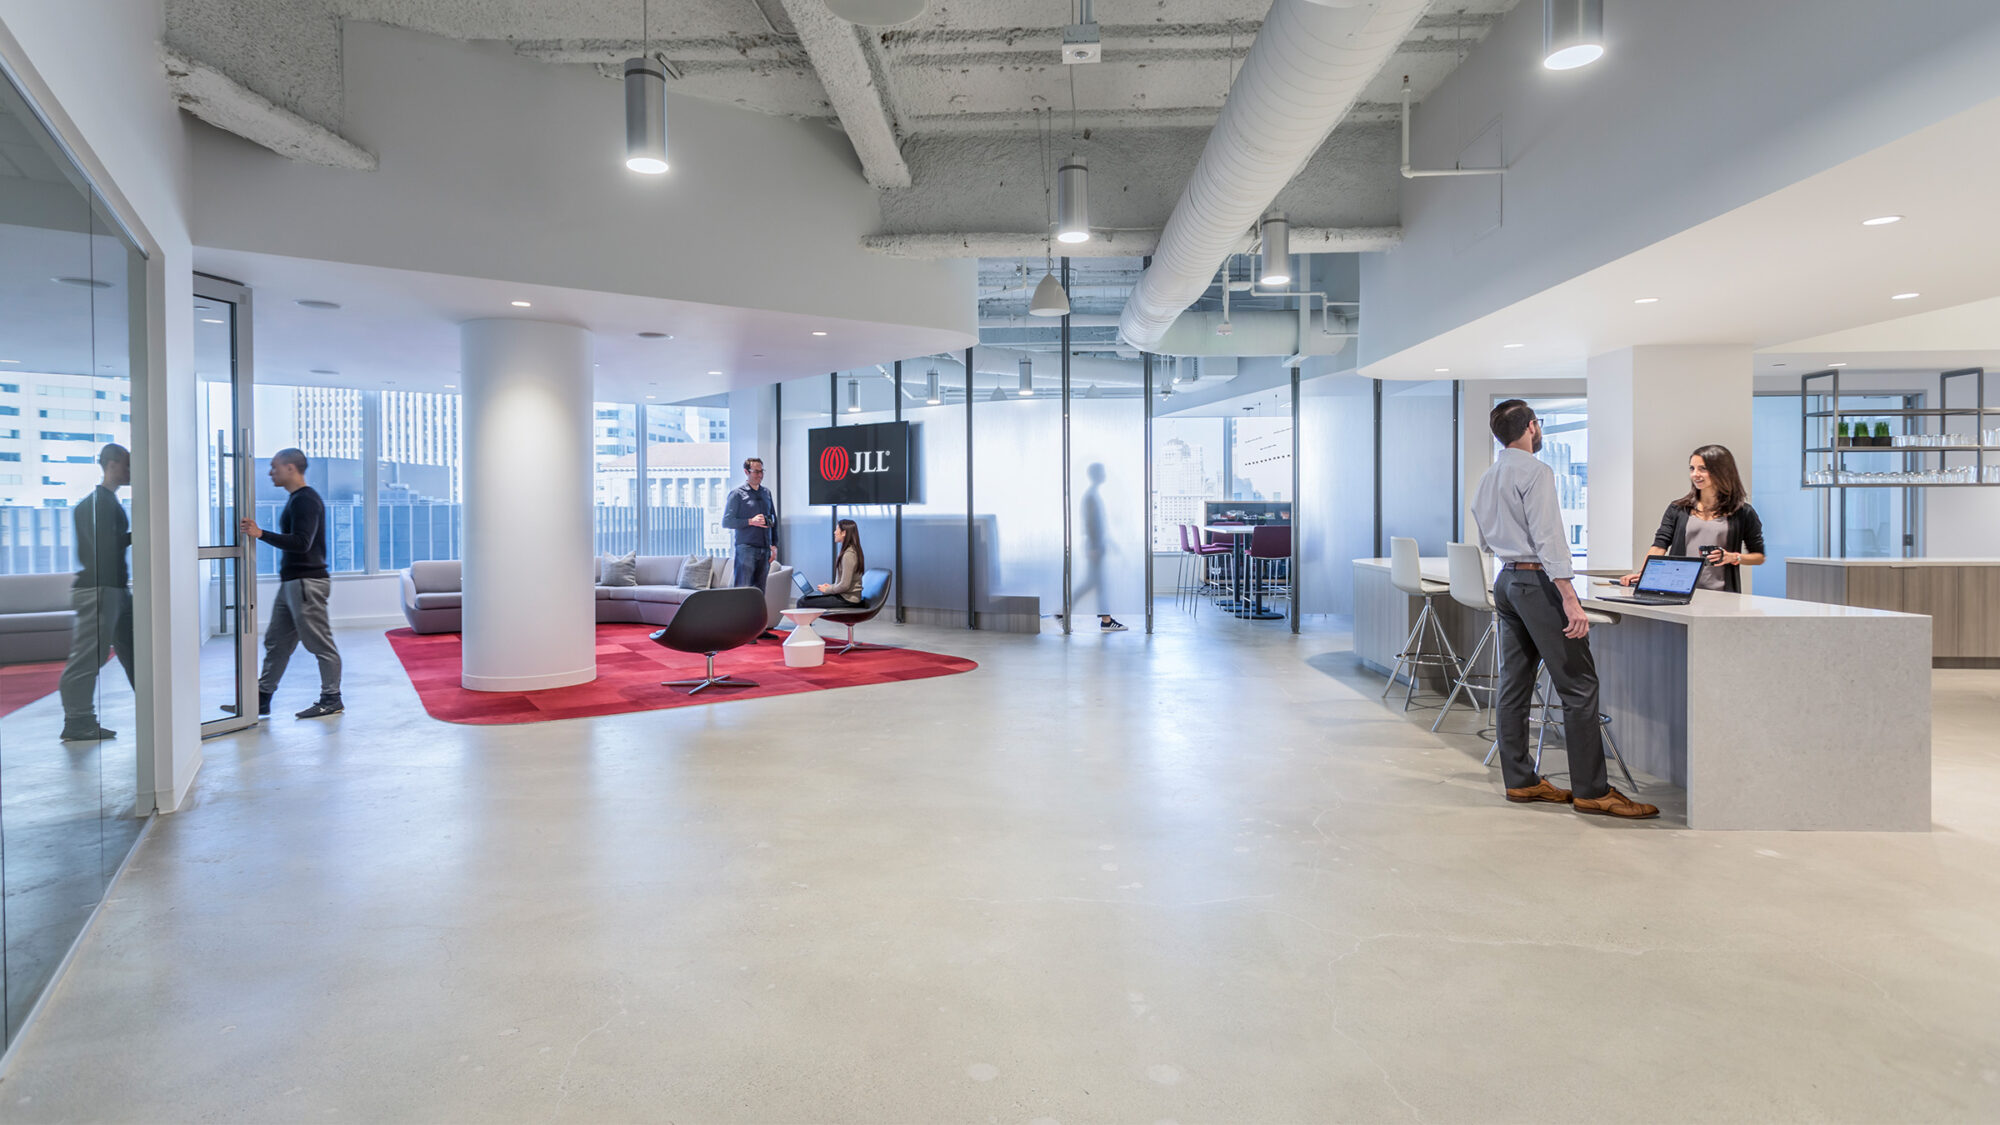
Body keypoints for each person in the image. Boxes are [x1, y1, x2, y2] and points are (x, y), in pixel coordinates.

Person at [1471, 400, 1657, 819]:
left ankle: (1520, 780)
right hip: (1538, 584)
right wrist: (1569, 599)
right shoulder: (1536, 471)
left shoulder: (1488, 476)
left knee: (1514, 686)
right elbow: (1550, 537)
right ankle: (1592, 790)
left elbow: (1484, 537)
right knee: (1579, 685)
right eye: (1539, 426)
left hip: (1507, 581)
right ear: (1532, 427)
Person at [239, 448, 343, 719]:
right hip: (293, 583)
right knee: (277, 641)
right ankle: (262, 699)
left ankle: (331, 698)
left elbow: (301, 542)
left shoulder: (306, 500)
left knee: (320, 644)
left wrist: (260, 534)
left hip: (307, 583)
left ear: (291, 468)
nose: (270, 472)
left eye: (274, 467)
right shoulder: (296, 499)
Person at [58, 443, 136, 742]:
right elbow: (104, 548)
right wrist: (139, 531)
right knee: (89, 656)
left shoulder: (102, 502)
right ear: (114, 463)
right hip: (100, 589)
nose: (131, 472)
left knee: (136, 652)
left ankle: (154, 709)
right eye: (128, 465)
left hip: (114, 589)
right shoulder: (98, 503)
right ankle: (78, 721)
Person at [1619, 444, 1766, 593]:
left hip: (1722, 595)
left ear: (1722, 471)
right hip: (1677, 591)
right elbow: (1659, 546)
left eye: (1703, 469)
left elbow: (1759, 557)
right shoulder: (1678, 509)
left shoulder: (1743, 512)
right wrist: (1643, 575)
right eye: (1692, 468)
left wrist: (1733, 557)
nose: (1695, 474)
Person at [1064, 462, 1126, 631]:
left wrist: (1110, 543)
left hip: (1098, 545)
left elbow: (1099, 524)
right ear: (1096, 474)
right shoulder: (1091, 496)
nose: (1104, 474)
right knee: (1093, 583)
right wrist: (1093, 547)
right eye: (1102, 471)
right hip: (1095, 547)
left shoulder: (1093, 495)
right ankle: (1065, 612)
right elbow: (1090, 523)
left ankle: (1105, 620)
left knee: (1096, 583)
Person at [722, 456, 779, 592]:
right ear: (746, 472)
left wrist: (774, 545)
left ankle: (757, 614)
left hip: (764, 549)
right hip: (746, 549)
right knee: (743, 591)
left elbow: (773, 519)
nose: (760, 475)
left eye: (761, 471)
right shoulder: (737, 494)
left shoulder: (766, 493)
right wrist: (750, 521)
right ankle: (740, 614)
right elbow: (727, 522)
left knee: (760, 591)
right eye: (756, 472)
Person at [797, 519, 866, 609]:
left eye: (837, 529)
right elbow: (844, 583)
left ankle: (804, 623)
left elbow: (845, 586)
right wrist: (831, 586)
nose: (834, 532)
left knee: (802, 602)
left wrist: (828, 590)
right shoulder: (851, 551)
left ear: (844, 533)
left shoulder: (849, 555)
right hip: (846, 596)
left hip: (848, 600)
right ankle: (805, 623)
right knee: (805, 599)